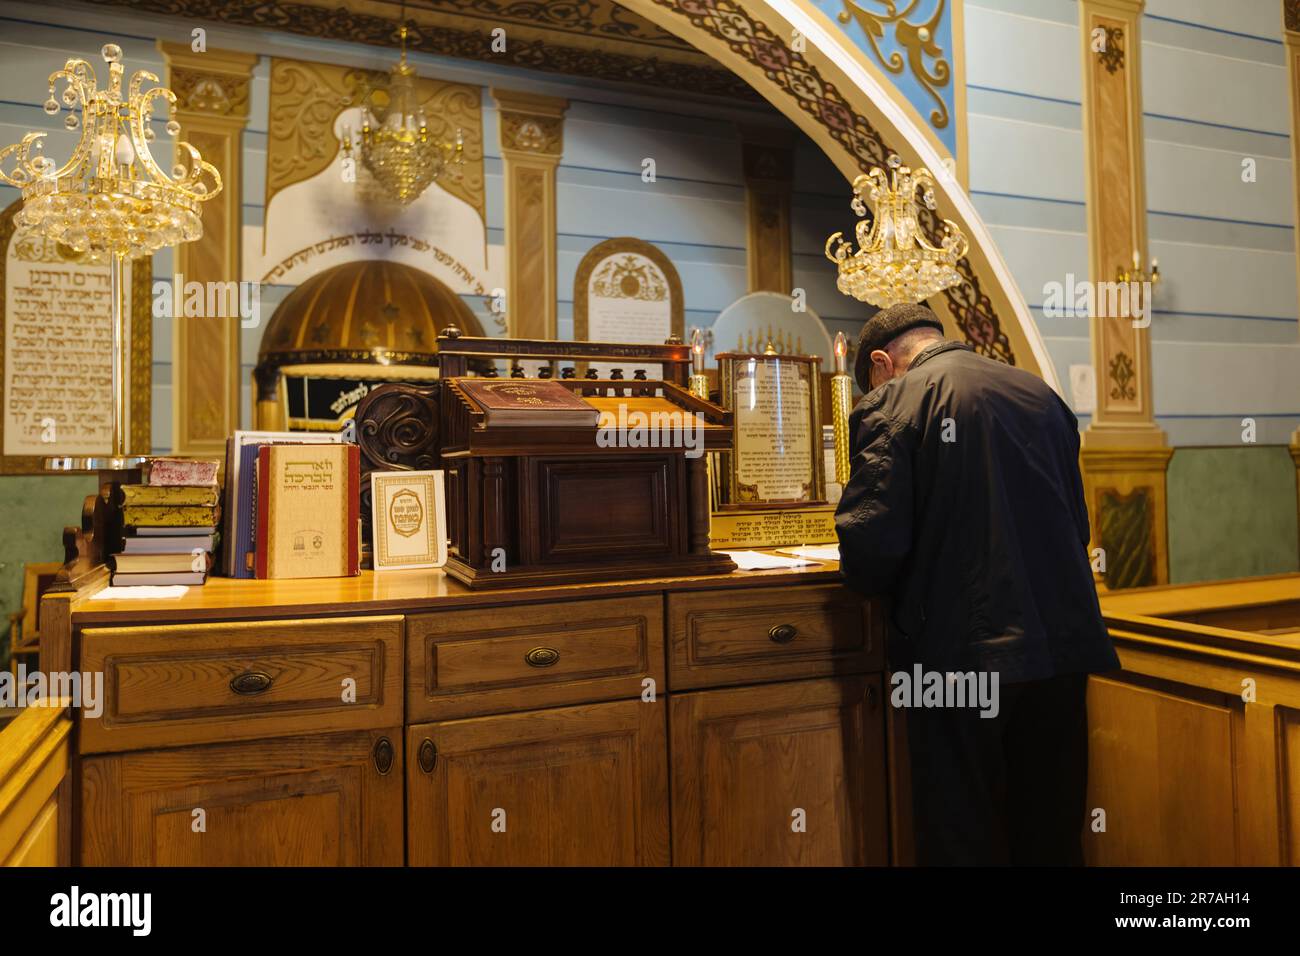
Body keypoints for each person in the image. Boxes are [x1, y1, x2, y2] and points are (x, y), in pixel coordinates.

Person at [834, 302, 1119, 866]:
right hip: (1061, 650)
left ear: (882, 363)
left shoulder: (892, 401)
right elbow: (1078, 526)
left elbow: (871, 548)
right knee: (1051, 832)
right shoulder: (1039, 394)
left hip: (959, 660)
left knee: (960, 831)